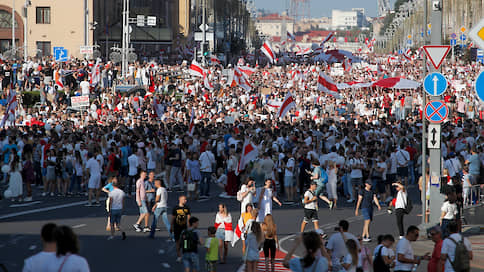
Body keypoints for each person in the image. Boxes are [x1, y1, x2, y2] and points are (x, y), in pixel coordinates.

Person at [172, 195, 191, 263]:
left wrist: (189, 225)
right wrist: (171, 227)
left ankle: (185, 255)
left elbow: (189, 217)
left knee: (185, 241)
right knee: (177, 242)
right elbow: (173, 218)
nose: (185, 201)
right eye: (184, 199)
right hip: (177, 227)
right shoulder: (176, 208)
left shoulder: (187, 208)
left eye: (185, 199)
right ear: (180, 200)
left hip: (184, 227)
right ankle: (179, 256)